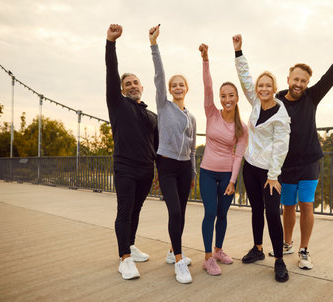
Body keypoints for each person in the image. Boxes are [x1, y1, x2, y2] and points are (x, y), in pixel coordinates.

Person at [269, 31, 333, 270]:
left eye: (304, 81)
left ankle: (304, 250)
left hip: (310, 161)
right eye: (296, 79)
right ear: (288, 78)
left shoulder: (312, 97)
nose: (299, 84)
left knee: (306, 205)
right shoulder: (277, 101)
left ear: (307, 83)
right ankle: (287, 243)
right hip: (285, 165)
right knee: (288, 207)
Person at [232, 34, 291, 282]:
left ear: (274, 89)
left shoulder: (281, 114)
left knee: (272, 214)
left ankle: (278, 259)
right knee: (256, 209)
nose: (263, 89)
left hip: (270, 174)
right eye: (260, 86)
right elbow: (245, 78)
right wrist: (238, 52)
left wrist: (274, 175)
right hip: (250, 167)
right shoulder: (255, 102)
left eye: (268, 86)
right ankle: (257, 249)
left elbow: (281, 145)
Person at [105, 24, 158, 280]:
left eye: (136, 82)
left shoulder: (151, 115)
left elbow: (157, 147)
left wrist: (159, 170)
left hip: (147, 171)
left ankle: (131, 245)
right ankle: (124, 258)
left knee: (136, 211)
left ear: (142, 87)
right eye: (128, 83)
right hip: (125, 168)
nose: (132, 85)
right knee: (125, 211)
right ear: (122, 88)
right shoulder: (117, 105)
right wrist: (111, 43)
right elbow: (111, 71)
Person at [149, 25, 197, 284]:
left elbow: (191, 150)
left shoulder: (191, 117)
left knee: (183, 212)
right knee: (175, 213)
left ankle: (171, 251)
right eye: (174, 85)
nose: (177, 88)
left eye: (181, 85)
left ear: (187, 88)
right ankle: (179, 260)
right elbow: (159, 75)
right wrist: (154, 46)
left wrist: (192, 173)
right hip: (166, 166)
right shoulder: (163, 106)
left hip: (182, 170)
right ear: (169, 89)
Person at [198, 43, 248, 276]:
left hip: (228, 175)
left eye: (231, 95)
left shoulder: (242, 128)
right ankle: (208, 257)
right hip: (207, 172)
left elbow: (239, 155)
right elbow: (207, 87)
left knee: (223, 214)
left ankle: (218, 250)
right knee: (210, 212)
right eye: (223, 96)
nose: (226, 99)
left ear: (237, 98)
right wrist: (205, 59)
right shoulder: (211, 112)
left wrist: (232, 181)